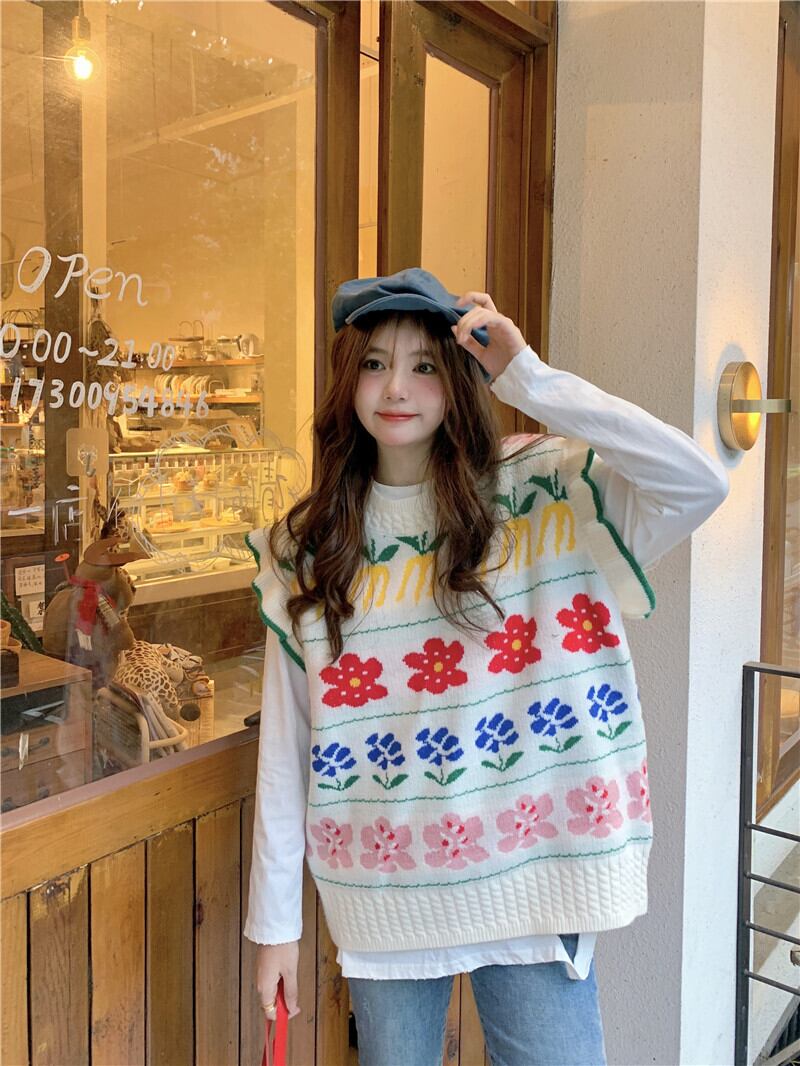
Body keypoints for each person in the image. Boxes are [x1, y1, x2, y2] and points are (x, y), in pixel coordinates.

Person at [243, 268, 729, 1066]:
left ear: (459, 379)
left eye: (424, 365)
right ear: (347, 380)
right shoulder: (309, 547)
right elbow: (287, 747)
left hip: (536, 878)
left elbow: (697, 482)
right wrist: (276, 928)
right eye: (374, 364)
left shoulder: (544, 493)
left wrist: (527, 377)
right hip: (385, 889)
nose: (395, 388)